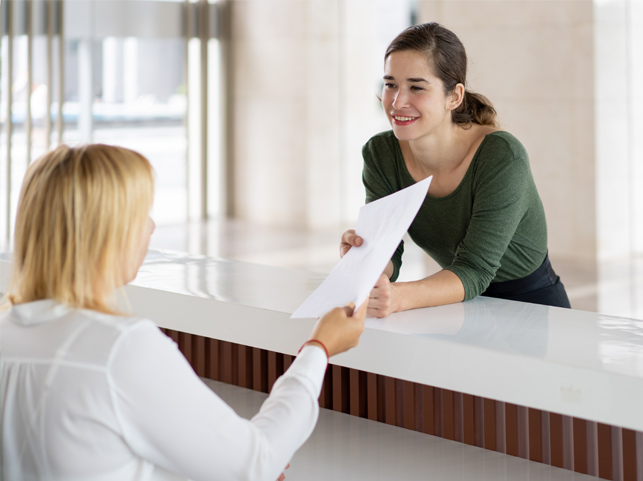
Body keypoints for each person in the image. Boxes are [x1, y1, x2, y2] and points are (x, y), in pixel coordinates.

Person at [1, 144, 367, 481]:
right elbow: (256, 463)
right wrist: (319, 348)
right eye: (141, 214)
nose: (151, 227)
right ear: (106, 234)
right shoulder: (121, 348)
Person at [340, 22, 570, 318]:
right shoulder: (380, 153)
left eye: (416, 87)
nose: (397, 102)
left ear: (454, 96)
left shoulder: (501, 157)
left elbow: (475, 269)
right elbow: (389, 250)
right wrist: (366, 260)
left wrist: (398, 297)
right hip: (457, 300)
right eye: (390, 84)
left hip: (532, 307)